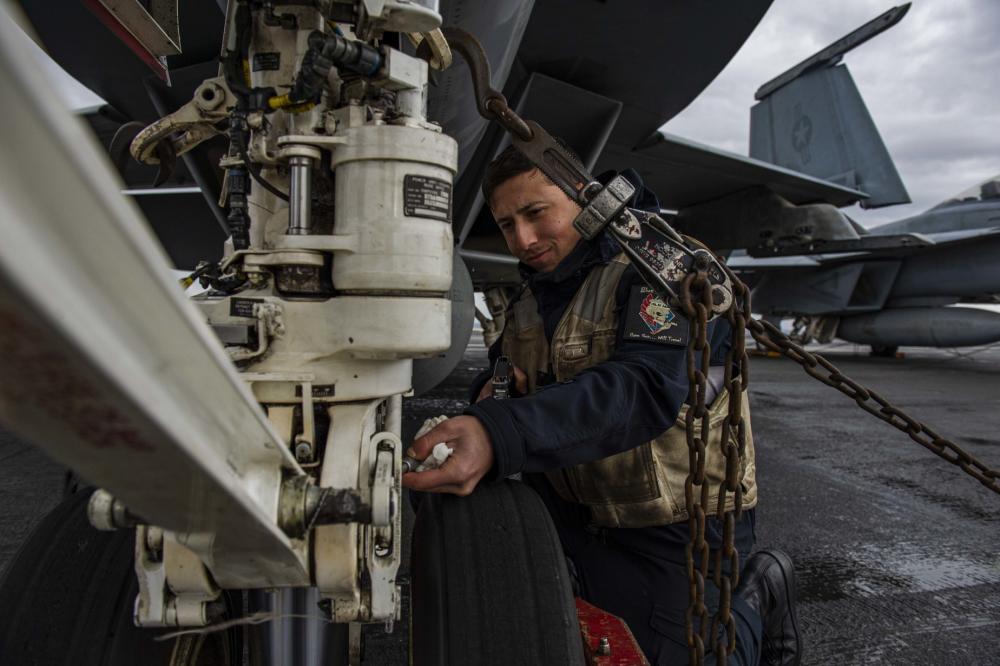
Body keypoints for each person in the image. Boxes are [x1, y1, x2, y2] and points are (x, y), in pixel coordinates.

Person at [402, 144, 801, 665]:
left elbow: (644, 387)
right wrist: (494, 393)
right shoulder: (529, 301)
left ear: (585, 200)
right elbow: (509, 375)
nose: (522, 239)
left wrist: (499, 434)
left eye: (535, 213)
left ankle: (759, 594)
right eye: (506, 225)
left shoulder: (663, 270)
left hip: (672, 527)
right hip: (576, 516)